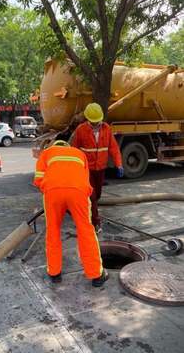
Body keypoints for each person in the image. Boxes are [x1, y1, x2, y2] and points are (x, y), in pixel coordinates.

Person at [33, 140, 108, 287]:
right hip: (78, 192)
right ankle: (96, 275)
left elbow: (38, 179)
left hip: (53, 192)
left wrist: (52, 193)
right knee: (85, 230)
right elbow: (85, 180)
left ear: (55, 146)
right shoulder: (79, 153)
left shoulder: (47, 153)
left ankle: (54, 273)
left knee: (53, 230)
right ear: (68, 147)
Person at [72, 103, 123, 233]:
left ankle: (88, 210)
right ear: (88, 119)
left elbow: (114, 148)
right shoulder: (81, 130)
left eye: (97, 121)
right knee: (92, 196)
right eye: (93, 122)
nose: (95, 124)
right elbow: (74, 150)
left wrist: (119, 164)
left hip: (100, 169)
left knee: (97, 195)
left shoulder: (106, 129)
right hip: (86, 169)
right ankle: (95, 222)